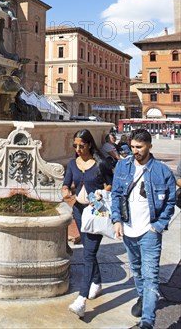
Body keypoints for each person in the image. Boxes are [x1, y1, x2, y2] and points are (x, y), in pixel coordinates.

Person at [111, 129, 176, 329]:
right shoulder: (123, 166)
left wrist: (157, 227)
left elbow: (170, 202)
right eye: (132, 147)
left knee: (150, 275)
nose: (135, 151)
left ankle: (148, 320)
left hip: (150, 232)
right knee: (137, 271)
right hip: (128, 230)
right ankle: (142, 298)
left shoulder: (162, 171)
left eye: (139, 147)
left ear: (149, 146)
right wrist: (116, 220)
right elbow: (116, 195)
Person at [62, 129, 113, 318]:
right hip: (78, 210)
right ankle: (97, 282)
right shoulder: (72, 164)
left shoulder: (101, 164)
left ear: (89, 144)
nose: (77, 149)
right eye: (75, 146)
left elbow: (110, 183)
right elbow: (67, 182)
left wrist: (101, 192)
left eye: (81, 146)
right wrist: (65, 190)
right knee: (88, 250)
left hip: (97, 210)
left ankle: (81, 299)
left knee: (88, 254)